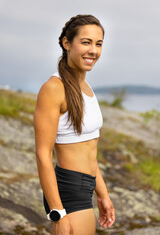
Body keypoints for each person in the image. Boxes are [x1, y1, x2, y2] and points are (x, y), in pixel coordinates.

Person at [34, 14, 115, 235]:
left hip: (85, 185)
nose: (93, 50)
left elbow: (89, 152)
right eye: (86, 42)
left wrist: (102, 194)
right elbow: (43, 154)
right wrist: (57, 212)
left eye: (98, 44)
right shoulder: (53, 88)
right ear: (67, 43)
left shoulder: (86, 88)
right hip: (68, 191)